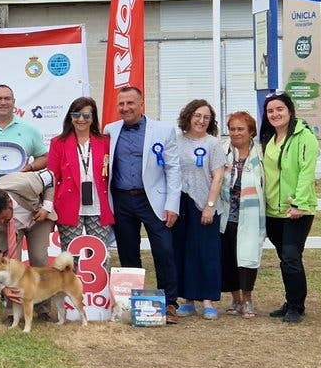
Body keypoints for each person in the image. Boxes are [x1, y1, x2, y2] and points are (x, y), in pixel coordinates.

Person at [105, 86, 182, 324]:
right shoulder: (110, 130)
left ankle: (169, 303)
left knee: (164, 251)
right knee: (128, 253)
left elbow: (173, 168)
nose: (125, 108)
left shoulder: (164, 130)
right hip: (121, 199)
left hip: (153, 200)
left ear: (141, 104)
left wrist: (172, 204)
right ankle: (132, 303)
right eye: (121, 104)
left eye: (130, 103)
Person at [0, 84, 50, 300]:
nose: (3, 102)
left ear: (14, 102)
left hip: (25, 198)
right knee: (9, 260)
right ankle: (10, 303)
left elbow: (46, 160)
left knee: (39, 259)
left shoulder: (28, 129)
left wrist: (30, 168)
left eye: (7, 98)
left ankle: (42, 306)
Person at [259, 92, 319, 324]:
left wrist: (300, 204)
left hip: (296, 210)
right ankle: (291, 300)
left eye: (279, 109)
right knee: (285, 258)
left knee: (291, 257)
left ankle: (296, 306)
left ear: (290, 111)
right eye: (270, 111)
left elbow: (306, 172)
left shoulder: (305, 137)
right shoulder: (269, 138)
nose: (275, 114)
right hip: (273, 210)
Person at [172, 99, 227, 320]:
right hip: (181, 202)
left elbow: (218, 177)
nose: (201, 120)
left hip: (205, 204)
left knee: (206, 252)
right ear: (188, 116)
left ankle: (208, 300)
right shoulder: (176, 141)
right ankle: (188, 300)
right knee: (184, 251)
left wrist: (209, 206)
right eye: (197, 115)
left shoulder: (213, 144)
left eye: (206, 117)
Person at [0, 170, 56, 306]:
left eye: (3, 217)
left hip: (37, 218)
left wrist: (46, 207)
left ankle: (44, 309)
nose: (1, 221)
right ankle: (11, 311)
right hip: (11, 230)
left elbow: (50, 175)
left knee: (39, 259)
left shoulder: (28, 184)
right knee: (10, 264)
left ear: (9, 202)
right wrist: (2, 288)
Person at [48, 97, 114, 250]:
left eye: (86, 115)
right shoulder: (58, 143)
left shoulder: (105, 142)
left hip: (99, 206)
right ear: (70, 117)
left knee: (99, 254)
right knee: (71, 255)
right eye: (76, 115)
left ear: (93, 118)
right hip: (69, 205)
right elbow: (52, 177)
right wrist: (49, 206)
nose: (81, 119)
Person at [219, 111, 267, 319]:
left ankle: (247, 299)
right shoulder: (222, 151)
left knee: (247, 257)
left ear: (251, 131)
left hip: (251, 214)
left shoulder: (261, 154)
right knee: (228, 258)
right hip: (227, 214)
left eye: (240, 129)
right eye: (232, 129)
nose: (236, 133)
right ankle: (236, 298)